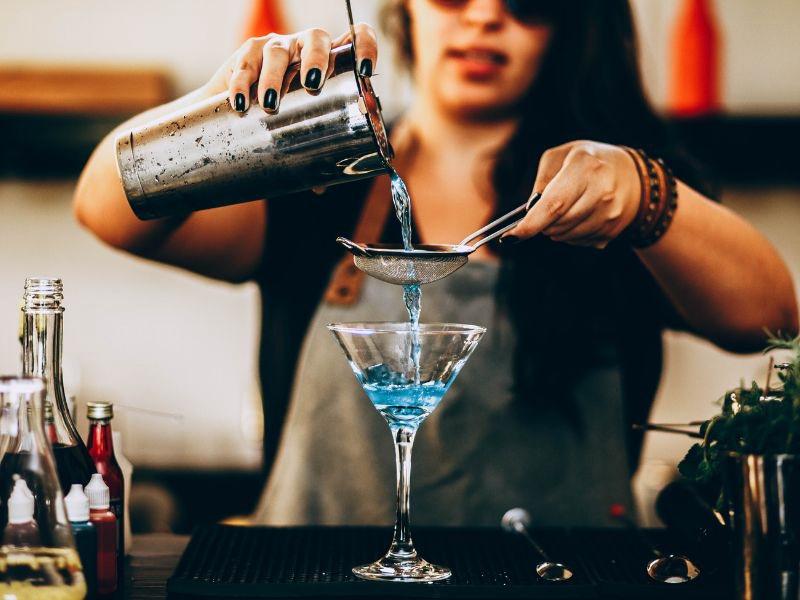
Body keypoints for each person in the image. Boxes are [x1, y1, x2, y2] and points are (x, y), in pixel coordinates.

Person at [74, 0, 798, 526]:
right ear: (406, 10)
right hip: (313, 582)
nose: (484, 16)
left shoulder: (609, 200)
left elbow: (769, 319)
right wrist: (219, 111)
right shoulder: (317, 182)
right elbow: (106, 208)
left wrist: (646, 192)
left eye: (527, 3)